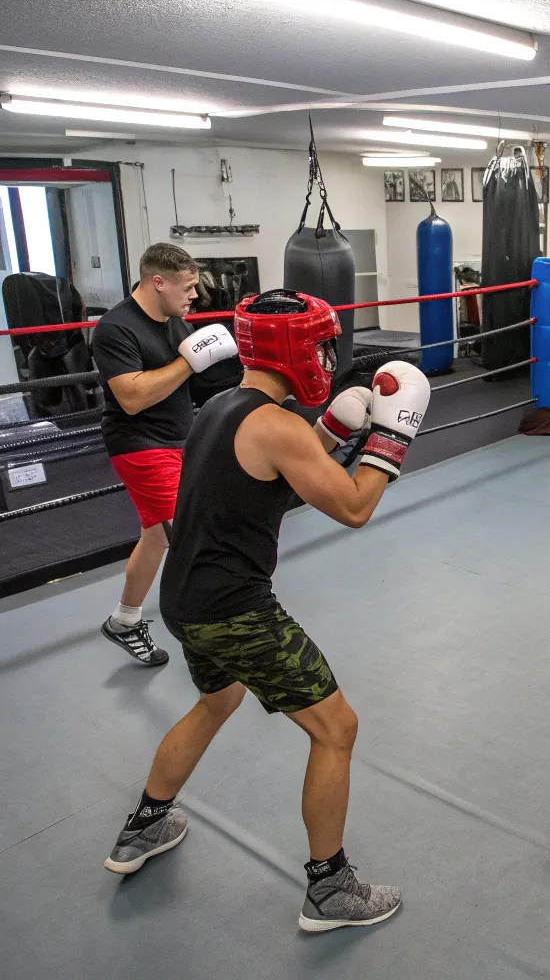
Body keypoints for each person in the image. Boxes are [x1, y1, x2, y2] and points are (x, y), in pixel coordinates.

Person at [103, 289, 431, 932]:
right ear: (294, 349)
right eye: (321, 345)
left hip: (183, 598)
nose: (328, 356)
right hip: (235, 609)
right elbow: (355, 506)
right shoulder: (278, 427)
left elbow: (268, 486)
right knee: (336, 729)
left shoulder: (220, 406)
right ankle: (330, 890)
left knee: (216, 701)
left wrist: (330, 434)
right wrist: (391, 437)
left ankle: (144, 826)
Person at [91, 243, 238, 666]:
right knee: (191, 540)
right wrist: (189, 362)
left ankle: (124, 620)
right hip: (140, 446)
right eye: (188, 287)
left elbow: (194, 384)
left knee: (156, 537)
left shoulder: (176, 323)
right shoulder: (115, 329)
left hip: (179, 439)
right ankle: (217, 632)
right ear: (158, 282)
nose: (195, 295)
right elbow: (132, 397)